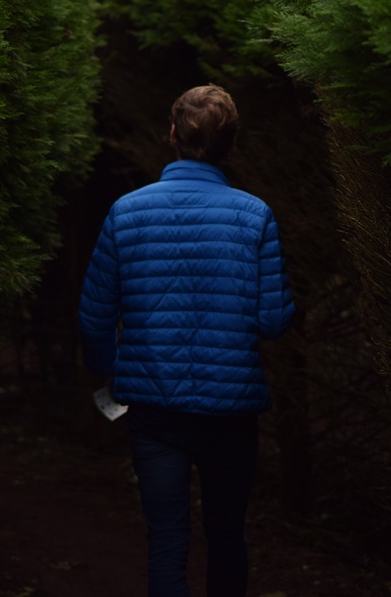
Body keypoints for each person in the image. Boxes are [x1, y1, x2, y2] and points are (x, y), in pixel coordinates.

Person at [78, 84, 296, 597]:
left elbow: (95, 315)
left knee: (167, 539)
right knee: (226, 537)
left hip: (153, 410)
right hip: (231, 411)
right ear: (232, 144)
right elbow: (273, 321)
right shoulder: (254, 215)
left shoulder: (125, 213)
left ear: (172, 135)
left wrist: (105, 374)